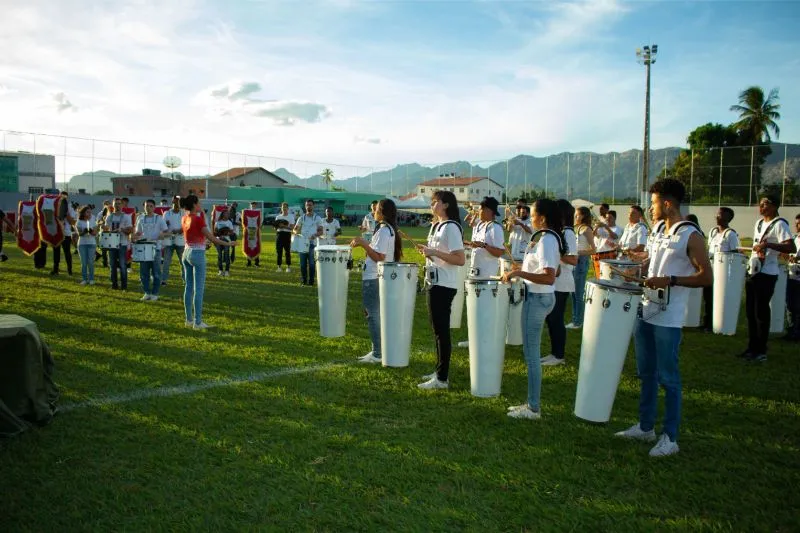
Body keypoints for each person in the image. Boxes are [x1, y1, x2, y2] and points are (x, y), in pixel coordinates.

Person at [615, 179, 712, 457]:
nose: (650, 207)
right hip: (646, 310)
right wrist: (637, 268)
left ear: (667, 203)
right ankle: (646, 427)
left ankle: (670, 436)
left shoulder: (691, 235)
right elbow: (653, 260)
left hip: (668, 317)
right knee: (646, 373)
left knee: (668, 377)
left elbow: (706, 276)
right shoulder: (657, 229)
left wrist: (669, 280)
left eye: (654, 202)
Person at [500, 198, 563, 419]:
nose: (530, 217)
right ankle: (531, 403)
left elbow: (549, 277)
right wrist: (523, 267)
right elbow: (555, 271)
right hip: (537, 296)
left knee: (531, 355)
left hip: (538, 298)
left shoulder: (547, 240)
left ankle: (533, 407)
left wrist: (518, 273)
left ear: (542, 218)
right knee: (531, 353)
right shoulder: (546, 239)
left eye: (533, 213)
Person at [417, 190, 465, 390]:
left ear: (445, 205)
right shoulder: (436, 226)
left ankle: (442, 378)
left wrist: (434, 252)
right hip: (434, 282)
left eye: (435, 202)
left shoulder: (451, 227)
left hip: (444, 285)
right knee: (437, 330)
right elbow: (440, 256)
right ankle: (439, 370)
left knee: (441, 332)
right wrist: (429, 254)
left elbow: (459, 259)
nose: (432, 205)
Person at [740, 196, 796, 362]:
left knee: (760, 312)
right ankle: (752, 347)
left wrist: (769, 245)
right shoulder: (758, 223)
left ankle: (761, 350)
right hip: (754, 270)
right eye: (760, 203)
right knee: (750, 311)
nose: (761, 206)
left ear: (774, 206)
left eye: (765, 204)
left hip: (767, 273)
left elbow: (790, 247)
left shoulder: (780, 224)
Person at [351, 199, 400, 364]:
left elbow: (379, 257)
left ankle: (378, 353)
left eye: (377, 209)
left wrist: (363, 243)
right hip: (376, 276)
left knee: (372, 315)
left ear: (383, 212)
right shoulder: (386, 229)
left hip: (373, 277)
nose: (374, 212)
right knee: (375, 315)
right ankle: (377, 350)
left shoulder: (385, 230)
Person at [180, 194, 234, 329]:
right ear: (194, 205)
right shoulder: (198, 219)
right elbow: (213, 238)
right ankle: (198, 322)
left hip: (186, 252)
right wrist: (229, 244)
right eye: (199, 203)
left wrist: (205, 242)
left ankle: (189, 320)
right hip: (197, 254)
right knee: (198, 289)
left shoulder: (184, 218)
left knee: (188, 287)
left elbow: (198, 236)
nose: (201, 205)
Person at [543, 199, 577, 366]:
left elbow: (573, 259)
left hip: (562, 281)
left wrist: (555, 253)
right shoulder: (557, 232)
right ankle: (554, 352)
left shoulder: (568, 233)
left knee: (556, 318)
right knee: (550, 318)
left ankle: (559, 355)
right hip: (554, 281)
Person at [702, 207, 740, 331]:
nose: (717, 217)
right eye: (717, 215)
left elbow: (735, 253)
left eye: (721, 215)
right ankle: (707, 322)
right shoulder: (713, 231)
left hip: (721, 271)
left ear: (728, 218)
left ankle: (716, 323)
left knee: (717, 298)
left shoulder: (730, 234)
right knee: (708, 297)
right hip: (710, 268)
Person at [133, 199, 169, 300]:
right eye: (146, 206)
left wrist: (163, 235)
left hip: (155, 249)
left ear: (154, 207)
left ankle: (155, 293)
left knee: (156, 272)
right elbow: (138, 232)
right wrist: (134, 236)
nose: (148, 208)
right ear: (144, 206)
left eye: (150, 206)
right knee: (144, 273)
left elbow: (167, 232)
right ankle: (147, 292)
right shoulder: (140, 218)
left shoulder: (159, 219)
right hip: (143, 248)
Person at [566, 206, 595, 329]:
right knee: (573, 292)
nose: (575, 217)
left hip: (581, 261)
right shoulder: (577, 228)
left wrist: (578, 252)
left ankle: (578, 321)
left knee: (578, 293)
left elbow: (593, 249)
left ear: (583, 216)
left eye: (577, 215)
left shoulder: (587, 229)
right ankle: (575, 318)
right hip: (575, 261)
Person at [468, 197, 504, 279]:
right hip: (474, 273)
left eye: (480, 209)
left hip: (486, 276)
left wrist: (484, 245)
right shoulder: (479, 225)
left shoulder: (495, 228)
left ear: (489, 210)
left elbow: (500, 252)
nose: (478, 211)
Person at [102, 198, 133, 290]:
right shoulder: (109, 217)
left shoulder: (126, 217)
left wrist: (122, 229)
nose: (117, 206)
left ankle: (124, 286)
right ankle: (114, 285)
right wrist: (104, 227)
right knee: (112, 265)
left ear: (122, 205)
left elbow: (130, 230)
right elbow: (107, 230)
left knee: (123, 265)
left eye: (119, 204)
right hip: (111, 243)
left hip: (122, 243)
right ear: (113, 205)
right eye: (116, 204)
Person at [293, 200, 324, 286]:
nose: (308, 207)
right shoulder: (301, 218)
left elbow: (321, 231)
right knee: (302, 264)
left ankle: (311, 281)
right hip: (302, 244)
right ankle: (303, 280)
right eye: (307, 205)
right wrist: (296, 233)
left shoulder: (317, 218)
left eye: (310, 205)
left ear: (313, 206)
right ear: (305, 206)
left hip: (312, 244)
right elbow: (295, 229)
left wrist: (314, 235)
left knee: (311, 264)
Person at [51, 191, 76, 276]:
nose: (62, 198)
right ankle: (55, 269)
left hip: (66, 233)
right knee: (56, 252)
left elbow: (72, 222)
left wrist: (66, 213)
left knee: (67, 252)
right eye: (61, 196)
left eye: (64, 197)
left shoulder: (70, 208)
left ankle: (70, 270)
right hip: (56, 232)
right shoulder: (54, 206)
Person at [161, 196, 185, 286]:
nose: (176, 205)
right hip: (169, 240)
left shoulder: (183, 213)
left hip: (180, 240)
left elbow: (186, 226)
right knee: (166, 261)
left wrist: (179, 230)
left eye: (178, 203)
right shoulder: (166, 213)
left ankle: (185, 280)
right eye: (174, 203)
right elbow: (163, 226)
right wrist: (165, 226)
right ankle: (164, 280)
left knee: (183, 262)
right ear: (172, 203)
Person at [784, 213, 800, 341]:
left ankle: (797, 332)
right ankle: (791, 330)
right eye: (796, 224)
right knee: (789, 304)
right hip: (791, 274)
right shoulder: (794, 238)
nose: (797, 226)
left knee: (797, 305)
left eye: (799, 224)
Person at [592, 209, 620, 277]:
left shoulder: (618, 228)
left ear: (615, 218)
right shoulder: (603, 228)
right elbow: (593, 234)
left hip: (610, 254)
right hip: (599, 253)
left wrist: (606, 227)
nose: (608, 219)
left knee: (607, 275)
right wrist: (597, 227)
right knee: (598, 274)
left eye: (610, 218)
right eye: (607, 218)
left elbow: (614, 237)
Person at [75, 205, 97, 285]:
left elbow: (95, 233)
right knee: (83, 263)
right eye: (88, 212)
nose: (90, 213)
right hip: (82, 244)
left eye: (90, 212)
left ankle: (91, 279)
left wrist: (91, 231)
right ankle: (84, 279)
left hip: (91, 243)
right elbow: (79, 234)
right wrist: (84, 231)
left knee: (90, 262)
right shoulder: (79, 221)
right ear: (83, 213)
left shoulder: (93, 220)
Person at [272, 202, 294, 270]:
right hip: (279, 235)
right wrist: (277, 227)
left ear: (288, 208)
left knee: (287, 251)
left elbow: (292, 228)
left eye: (285, 207)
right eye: (282, 207)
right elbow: (275, 228)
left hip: (287, 235)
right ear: (281, 208)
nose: (284, 208)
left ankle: (288, 266)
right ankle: (279, 266)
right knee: (279, 251)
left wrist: (283, 226)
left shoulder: (291, 216)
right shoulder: (278, 217)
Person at [214, 209, 234, 277]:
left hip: (227, 240)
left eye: (228, 214)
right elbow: (215, 231)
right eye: (226, 213)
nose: (228, 215)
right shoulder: (218, 222)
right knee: (219, 255)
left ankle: (227, 271)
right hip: (219, 240)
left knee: (226, 255)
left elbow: (231, 232)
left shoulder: (229, 222)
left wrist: (227, 232)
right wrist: (219, 233)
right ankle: (220, 271)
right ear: (222, 214)